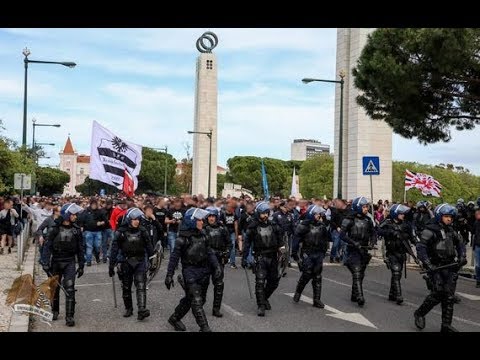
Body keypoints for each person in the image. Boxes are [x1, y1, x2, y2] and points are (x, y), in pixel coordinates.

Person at [165, 208, 220, 332]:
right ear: (191, 221)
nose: (202, 222)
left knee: (194, 299)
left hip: (204, 271)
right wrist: (169, 274)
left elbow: (210, 252)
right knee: (196, 300)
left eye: (202, 220)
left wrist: (216, 266)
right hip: (190, 271)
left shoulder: (204, 236)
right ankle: (204, 327)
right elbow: (174, 258)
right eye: (199, 220)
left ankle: (174, 318)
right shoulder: (182, 239)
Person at [414, 203, 467, 332]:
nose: (449, 219)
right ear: (440, 216)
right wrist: (428, 263)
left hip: (450, 266)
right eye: (446, 216)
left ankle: (446, 325)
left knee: (449, 296)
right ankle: (419, 313)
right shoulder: (430, 230)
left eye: (450, 216)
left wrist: (462, 257)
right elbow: (421, 248)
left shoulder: (451, 230)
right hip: (436, 266)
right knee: (437, 294)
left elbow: (460, 243)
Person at [40, 203, 85, 327]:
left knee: (70, 288)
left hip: (69, 261)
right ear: (67, 215)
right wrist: (44, 262)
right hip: (56, 261)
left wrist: (81, 265)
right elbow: (47, 246)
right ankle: (55, 310)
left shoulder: (76, 230)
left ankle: (69, 316)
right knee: (55, 287)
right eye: (73, 214)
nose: (75, 217)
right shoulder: (54, 229)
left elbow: (81, 248)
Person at [109, 208, 155, 320]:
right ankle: (128, 308)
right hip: (126, 261)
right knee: (126, 286)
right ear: (129, 219)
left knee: (141, 285)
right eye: (134, 219)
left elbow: (149, 246)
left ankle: (142, 310)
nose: (136, 221)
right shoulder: (120, 232)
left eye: (138, 219)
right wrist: (111, 264)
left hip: (140, 261)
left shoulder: (143, 231)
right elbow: (114, 249)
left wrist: (152, 260)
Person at [242, 201, 286, 317]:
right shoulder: (252, 226)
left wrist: (283, 253)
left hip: (273, 256)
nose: (265, 215)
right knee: (260, 282)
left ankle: (264, 298)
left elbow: (280, 240)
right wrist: (244, 258)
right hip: (260, 257)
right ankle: (261, 305)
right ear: (258, 213)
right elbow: (247, 243)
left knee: (274, 281)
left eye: (267, 213)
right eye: (263, 213)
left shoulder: (274, 225)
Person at [291, 205, 330, 308]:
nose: (319, 215)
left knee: (317, 276)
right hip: (307, 253)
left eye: (319, 214)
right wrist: (296, 256)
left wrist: (323, 252)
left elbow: (326, 239)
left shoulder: (322, 226)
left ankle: (317, 300)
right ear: (311, 214)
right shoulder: (303, 226)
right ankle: (298, 291)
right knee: (307, 274)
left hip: (318, 254)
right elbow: (295, 242)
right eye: (317, 214)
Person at [340, 196, 376, 307]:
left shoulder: (368, 220)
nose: (366, 209)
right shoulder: (349, 219)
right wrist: (353, 242)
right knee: (356, 272)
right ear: (358, 207)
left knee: (361, 274)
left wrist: (372, 243)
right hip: (352, 250)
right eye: (364, 207)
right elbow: (342, 235)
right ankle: (360, 297)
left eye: (367, 207)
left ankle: (354, 294)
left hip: (364, 250)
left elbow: (373, 233)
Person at [377, 204, 414, 305]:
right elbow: (378, 230)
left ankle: (392, 294)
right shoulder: (387, 222)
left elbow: (412, 237)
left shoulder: (406, 224)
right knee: (396, 273)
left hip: (401, 252)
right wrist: (391, 232)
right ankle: (398, 295)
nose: (403, 215)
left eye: (403, 214)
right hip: (391, 252)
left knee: (398, 274)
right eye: (401, 213)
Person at [203, 206, 231, 317]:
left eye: (213, 216)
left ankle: (216, 309)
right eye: (209, 216)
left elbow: (229, 243)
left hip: (219, 260)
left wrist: (227, 253)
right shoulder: (203, 229)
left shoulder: (223, 229)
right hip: (205, 260)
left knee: (219, 284)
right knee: (203, 284)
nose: (211, 218)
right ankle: (200, 303)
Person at [472, 209, 480, 288]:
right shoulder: (476, 222)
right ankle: (478, 280)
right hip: (478, 245)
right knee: (478, 265)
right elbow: (473, 232)